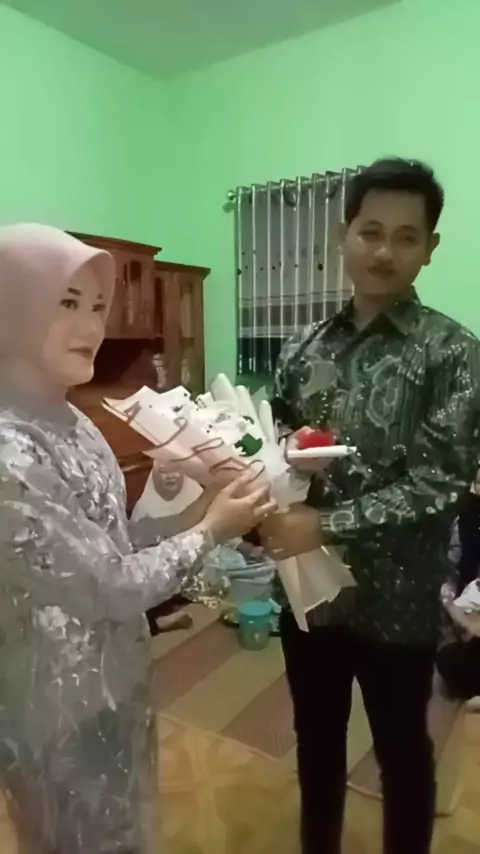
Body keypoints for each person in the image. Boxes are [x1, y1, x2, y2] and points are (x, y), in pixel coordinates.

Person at [0, 223, 276, 854]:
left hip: (116, 682)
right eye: (67, 302)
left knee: (127, 829)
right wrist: (211, 530)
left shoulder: (75, 418)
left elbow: (116, 543)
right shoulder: (10, 451)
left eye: (98, 306)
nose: (91, 326)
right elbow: (111, 586)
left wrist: (197, 505)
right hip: (53, 709)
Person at [261, 159, 480, 854]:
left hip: (400, 602)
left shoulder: (454, 353)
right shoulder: (301, 348)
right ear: (344, 235)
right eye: (371, 231)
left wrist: (323, 523)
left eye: (406, 237)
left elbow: (441, 481)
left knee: (402, 755)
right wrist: (265, 482)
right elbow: (275, 441)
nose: (385, 251)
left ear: (430, 247)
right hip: (309, 594)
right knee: (316, 743)